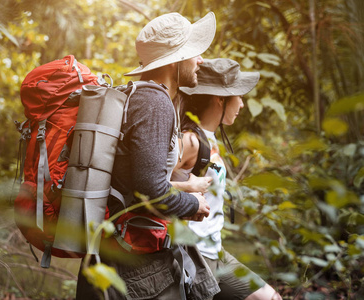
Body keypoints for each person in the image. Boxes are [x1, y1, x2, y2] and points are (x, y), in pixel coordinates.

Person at [76, 12, 221, 300]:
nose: (200, 60)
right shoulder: (155, 102)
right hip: (137, 267)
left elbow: (136, 181)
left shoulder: (142, 96)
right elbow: (150, 191)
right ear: (176, 60)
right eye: (194, 53)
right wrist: (193, 203)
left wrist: (187, 186)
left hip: (123, 254)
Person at [171, 58, 282, 300]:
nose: (242, 103)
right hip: (195, 257)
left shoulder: (208, 139)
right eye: (239, 96)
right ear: (220, 99)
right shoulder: (190, 141)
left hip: (216, 252)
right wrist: (188, 186)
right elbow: (148, 184)